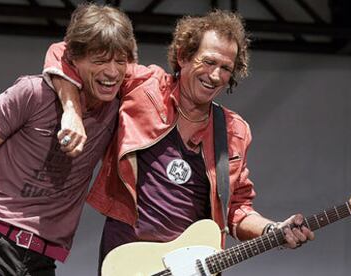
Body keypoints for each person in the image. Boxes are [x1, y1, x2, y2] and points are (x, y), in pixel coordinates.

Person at [44, 9, 315, 274]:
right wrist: (72, 112)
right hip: (128, 258)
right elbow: (64, 52)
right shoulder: (144, 85)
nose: (215, 75)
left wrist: (272, 230)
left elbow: (236, 211)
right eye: (208, 62)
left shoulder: (234, 131)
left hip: (191, 267)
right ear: (184, 56)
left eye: (225, 68)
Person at [0, 3, 137, 275]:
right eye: (99, 60)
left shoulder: (117, 109)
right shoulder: (31, 93)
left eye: (120, 61)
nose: (112, 71)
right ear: (74, 58)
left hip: (43, 260)